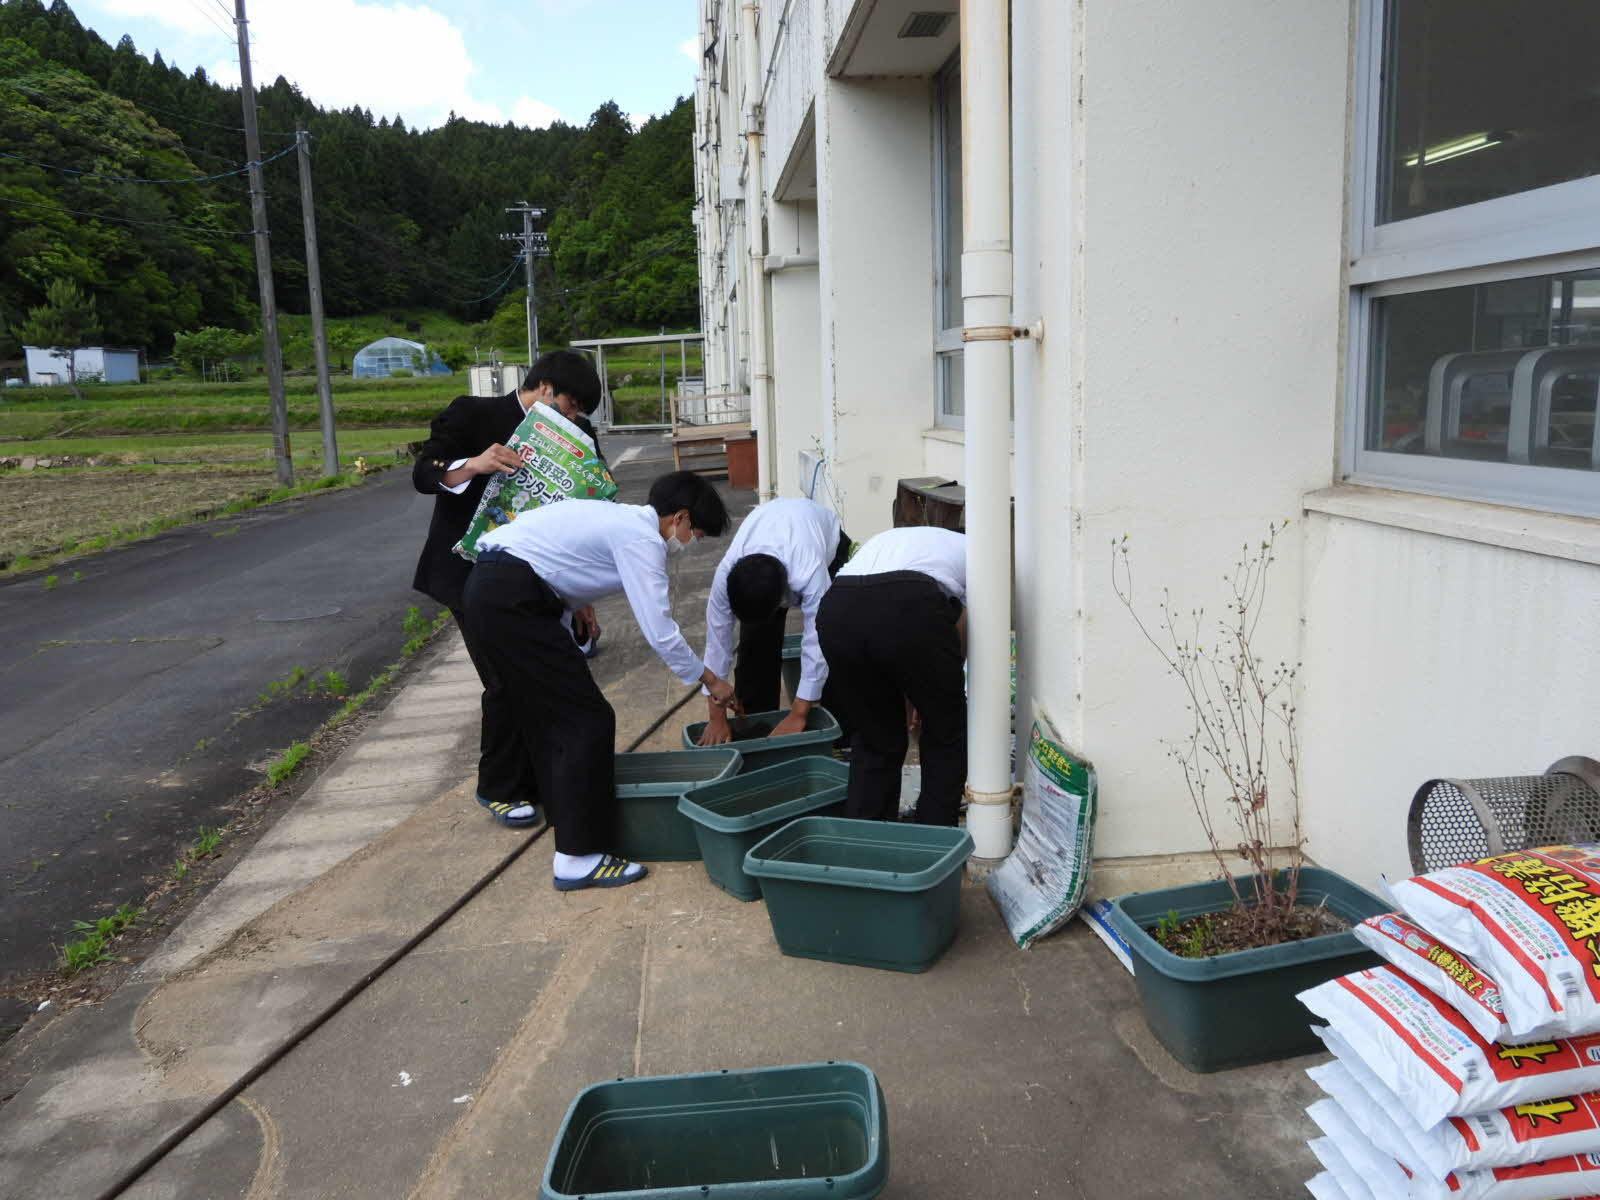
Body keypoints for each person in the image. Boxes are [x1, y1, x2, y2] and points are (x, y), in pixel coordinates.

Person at [462, 470, 738, 890]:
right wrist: (710, 680)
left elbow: (557, 563)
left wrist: (570, 614)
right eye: (695, 533)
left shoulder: (621, 519)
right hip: (511, 598)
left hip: (496, 590)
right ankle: (578, 856)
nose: (690, 543)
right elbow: (660, 630)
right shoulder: (642, 539)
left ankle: (542, 800)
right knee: (586, 721)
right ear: (679, 518)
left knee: (546, 710)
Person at [412, 350, 605, 829]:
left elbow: (586, 515)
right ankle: (497, 787)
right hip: (467, 573)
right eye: (570, 406)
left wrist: (582, 598)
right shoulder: (475, 414)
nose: (575, 419)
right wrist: (474, 465)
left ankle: (535, 776)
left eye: (581, 413)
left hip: (536, 578)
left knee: (540, 676)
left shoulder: (579, 440)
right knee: (502, 678)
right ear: (543, 389)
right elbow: (424, 474)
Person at [815, 526, 967, 826]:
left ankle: (867, 840)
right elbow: (964, 630)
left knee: (875, 737)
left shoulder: (906, 541)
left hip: (837, 609)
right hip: (908, 604)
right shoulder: (981, 553)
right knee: (946, 733)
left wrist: (917, 690)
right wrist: (933, 691)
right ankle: (932, 842)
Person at [697, 496, 851, 745]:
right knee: (755, 648)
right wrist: (716, 716)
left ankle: (838, 737)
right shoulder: (727, 575)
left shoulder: (809, 570)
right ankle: (757, 726)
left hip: (828, 547)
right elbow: (717, 642)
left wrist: (799, 712)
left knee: (838, 643)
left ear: (782, 597)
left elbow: (818, 640)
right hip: (773, 540)